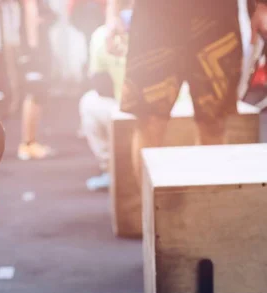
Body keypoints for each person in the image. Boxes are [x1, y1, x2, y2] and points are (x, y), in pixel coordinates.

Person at [105, 0, 267, 187]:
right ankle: (149, 212)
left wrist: (260, 6)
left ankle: (208, 208)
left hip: (216, 17)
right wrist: (113, 12)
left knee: (213, 121)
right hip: (155, 19)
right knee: (150, 121)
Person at [78, 6, 130, 191]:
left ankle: (112, 170)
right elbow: (100, 85)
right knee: (89, 102)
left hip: (165, 105)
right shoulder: (102, 36)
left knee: (90, 102)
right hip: (125, 106)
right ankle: (112, 171)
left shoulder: (101, 35)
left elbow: (99, 82)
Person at [17, 0, 55, 160]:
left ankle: (32, 141)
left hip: (37, 47)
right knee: (34, 92)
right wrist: (33, 50)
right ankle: (27, 144)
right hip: (34, 49)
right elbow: (30, 10)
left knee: (38, 94)